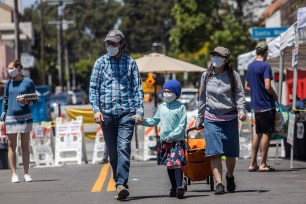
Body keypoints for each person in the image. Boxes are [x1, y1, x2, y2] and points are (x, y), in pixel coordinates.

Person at [89, 29, 144, 200]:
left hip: (126, 114)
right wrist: (96, 110)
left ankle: (122, 184)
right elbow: (93, 89)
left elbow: (138, 89)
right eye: (107, 43)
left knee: (123, 149)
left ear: (121, 44)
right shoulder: (100, 63)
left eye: (113, 43)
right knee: (113, 153)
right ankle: (118, 181)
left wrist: (139, 111)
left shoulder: (130, 63)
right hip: (106, 115)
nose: (109, 46)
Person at [196, 46, 246, 194]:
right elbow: (202, 97)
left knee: (230, 154)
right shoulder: (207, 75)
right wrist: (200, 118)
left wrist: (241, 110)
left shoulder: (233, 75)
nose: (215, 58)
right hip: (211, 118)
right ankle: (219, 184)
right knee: (214, 153)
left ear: (226, 60)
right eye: (214, 55)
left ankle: (229, 176)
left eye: (219, 56)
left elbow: (240, 94)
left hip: (230, 118)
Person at [139, 80, 187, 199]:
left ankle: (179, 187)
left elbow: (182, 125)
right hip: (165, 141)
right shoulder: (161, 107)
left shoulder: (181, 107)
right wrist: (142, 121)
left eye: (169, 91)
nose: (166, 93)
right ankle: (173, 187)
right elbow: (154, 120)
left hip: (177, 141)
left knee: (177, 163)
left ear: (176, 93)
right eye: (164, 91)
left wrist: (172, 136)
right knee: (170, 165)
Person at [0, 60, 37, 183]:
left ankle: (26, 173)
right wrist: (2, 119)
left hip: (25, 117)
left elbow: (34, 99)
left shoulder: (28, 82)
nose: (9, 70)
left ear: (18, 68)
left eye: (11, 68)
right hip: (10, 118)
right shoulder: (8, 83)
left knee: (25, 146)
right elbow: (5, 101)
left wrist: (26, 101)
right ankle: (14, 174)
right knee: (11, 146)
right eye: (8, 68)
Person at [245, 41, 278, 172]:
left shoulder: (250, 66)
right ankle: (263, 163)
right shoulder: (265, 67)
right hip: (266, 104)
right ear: (266, 52)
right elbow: (268, 86)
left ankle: (253, 163)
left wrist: (256, 90)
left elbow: (247, 86)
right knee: (266, 133)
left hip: (256, 105)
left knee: (258, 133)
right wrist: (275, 96)